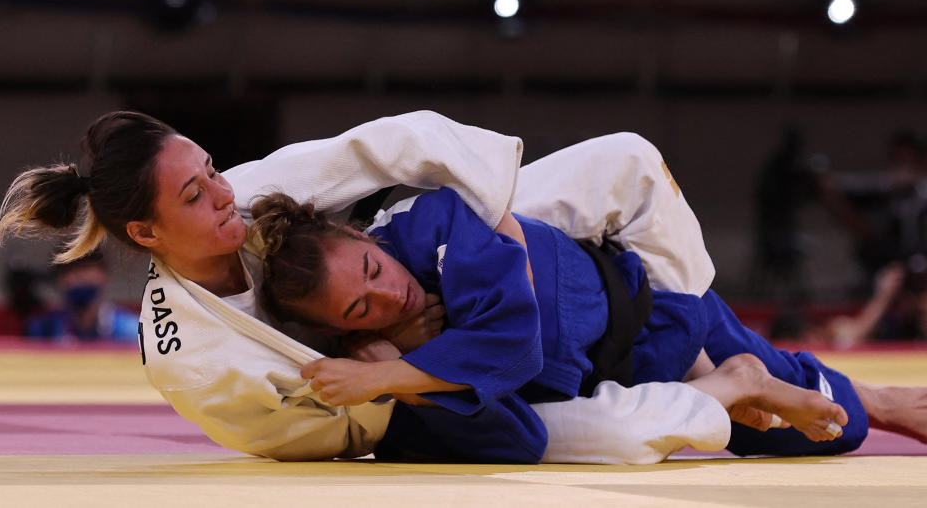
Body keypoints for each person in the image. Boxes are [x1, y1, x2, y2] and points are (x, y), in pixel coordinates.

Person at [0, 109, 787, 463]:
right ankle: (707, 388)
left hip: (413, 275)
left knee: (627, 160)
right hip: (401, 407)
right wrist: (388, 371)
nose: (224, 193)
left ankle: (690, 337)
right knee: (605, 440)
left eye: (210, 170)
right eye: (195, 197)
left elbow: (393, 143)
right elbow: (295, 434)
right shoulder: (190, 356)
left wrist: (497, 222)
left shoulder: (254, 187)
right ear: (145, 235)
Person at [251, 189, 855, 462]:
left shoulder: (428, 219)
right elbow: (521, 442)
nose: (390, 293)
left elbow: (514, 337)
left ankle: (744, 380)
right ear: (339, 331)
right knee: (796, 435)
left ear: (362, 235)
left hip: (642, 304)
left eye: (372, 268)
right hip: (622, 373)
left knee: (832, 425)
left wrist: (403, 368)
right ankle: (731, 384)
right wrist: (402, 376)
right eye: (361, 309)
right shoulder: (371, 351)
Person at [25, 250, 138, 341]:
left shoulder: (132, 330)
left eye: (85, 268)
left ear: (104, 274)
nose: (79, 276)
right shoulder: (43, 329)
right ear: (59, 280)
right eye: (69, 270)